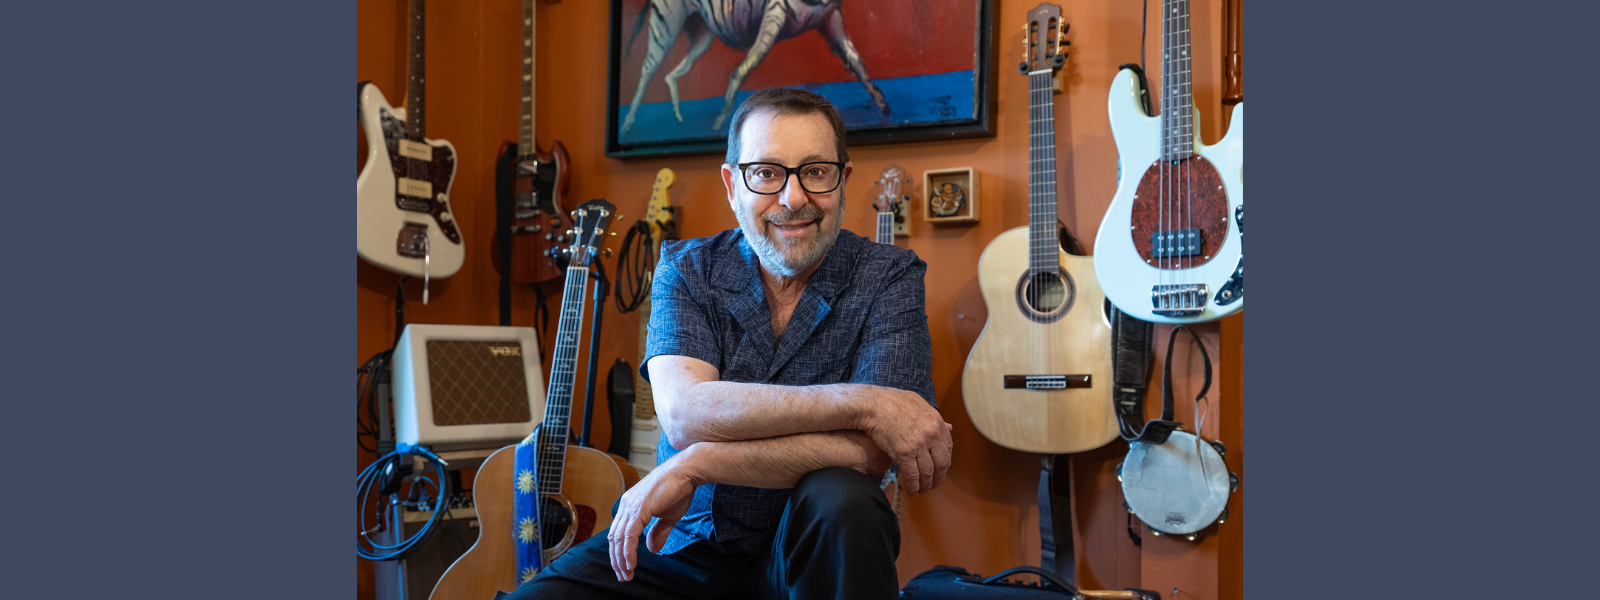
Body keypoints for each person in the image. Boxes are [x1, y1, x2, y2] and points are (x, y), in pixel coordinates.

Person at [508, 87, 953, 600]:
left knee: (844, 496)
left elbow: (876, 453)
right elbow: (687, 414)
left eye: (815, 171)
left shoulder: (889, 276)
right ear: (731, 184)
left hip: (812, 554)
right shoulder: (686, 268)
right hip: (683, 542)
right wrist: (870, 403)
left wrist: (697, 464)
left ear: (843, 179)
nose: (793, 198)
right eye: (766, 173)